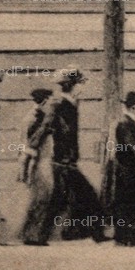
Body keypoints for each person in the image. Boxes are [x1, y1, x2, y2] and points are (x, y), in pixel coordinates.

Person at [48, 67, 107, 243]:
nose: (82, 88)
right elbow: (59, 132)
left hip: (66, 161)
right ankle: (93, 234)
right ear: (70, 85)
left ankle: (72, 232)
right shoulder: (61, 105)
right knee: (88, 197)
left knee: (64, 201)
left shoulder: (70, 104)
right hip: (64, 162)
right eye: (79, 84)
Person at [103, 91, 135, 247]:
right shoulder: (126, 124)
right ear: (133, 107)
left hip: (129, 172)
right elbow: (134, 149)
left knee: (129, 204)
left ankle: (128, 237)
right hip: (129, 172)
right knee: (128, 204)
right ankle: (126, 238)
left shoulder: (128, 124)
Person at [18, 88, 57, 246]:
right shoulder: (33, 118)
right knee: (40, 198)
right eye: (49, 101)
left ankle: (34, 234)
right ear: (44, 101)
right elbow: (28, 145)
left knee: (42, 198)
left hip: (43, 161)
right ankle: (31, 235)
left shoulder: (40, 117)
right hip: (38, 162)